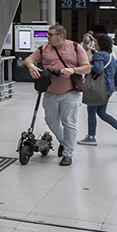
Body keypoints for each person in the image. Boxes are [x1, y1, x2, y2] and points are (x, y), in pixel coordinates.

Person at [22, 23, 91, 165]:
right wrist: (31, 66)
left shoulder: (75, 47)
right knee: (51, 121)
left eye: (50, 34)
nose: (47, 37)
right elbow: (28, 59)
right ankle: (64, 142)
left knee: (69, 122)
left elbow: (87, 68)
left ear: (60, 36)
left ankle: (68, 154)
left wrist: (73, 70)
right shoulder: (44, 49)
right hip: (50, 92)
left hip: (71, 92)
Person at [80, 34, 117, 148]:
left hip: (99, 88)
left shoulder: (99, 55)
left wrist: (87, 67)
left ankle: (91, 137)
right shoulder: (111, 57)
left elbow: (98, 69)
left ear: (100, 44)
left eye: (96, 43)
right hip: (109, 88)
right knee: (102, 113)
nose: (94, 44)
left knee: (91, 112)